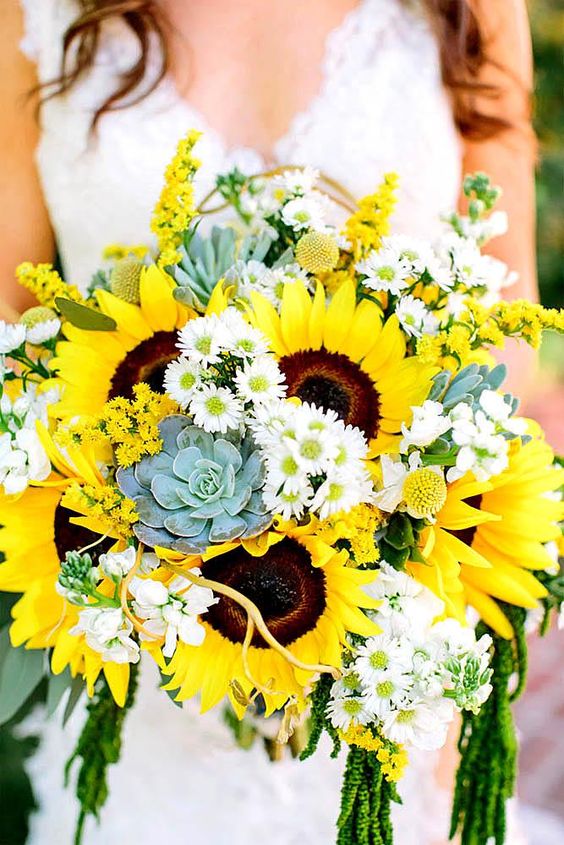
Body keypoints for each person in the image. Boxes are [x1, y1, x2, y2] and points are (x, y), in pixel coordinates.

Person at [0, 1, 543, 843]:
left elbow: (509, 317)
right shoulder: (34, 15)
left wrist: (399, 540)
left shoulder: (470, 9)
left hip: (391, 641)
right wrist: (136, 552)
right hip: (140, 632)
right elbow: (14, 318)